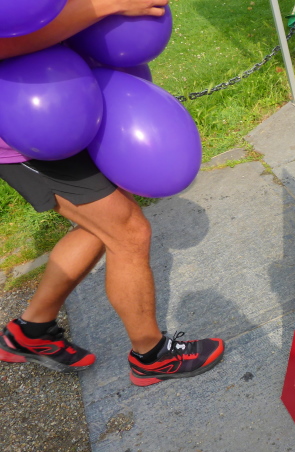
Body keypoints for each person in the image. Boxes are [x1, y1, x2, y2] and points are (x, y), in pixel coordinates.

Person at [0, 0, 224, 386]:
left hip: (70, 98)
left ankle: (31, 332)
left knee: (100, 226)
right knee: (128, 232)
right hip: (27, 126)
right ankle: (151, 355)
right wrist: (111, 6)